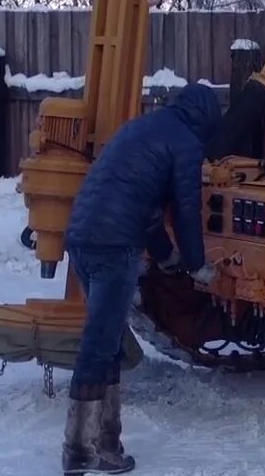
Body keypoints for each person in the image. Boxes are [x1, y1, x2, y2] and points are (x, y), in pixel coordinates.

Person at [60, 82, 222, 475]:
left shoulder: (141, 128)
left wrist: (167, 257)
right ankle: (79, 450)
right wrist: (197, 264)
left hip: (82, 237)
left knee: (109, 340)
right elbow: (185, 209)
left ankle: (107, 443)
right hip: (113, 246)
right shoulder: (185, 142)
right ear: (205, 120)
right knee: (100, 345)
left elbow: (144, 207)